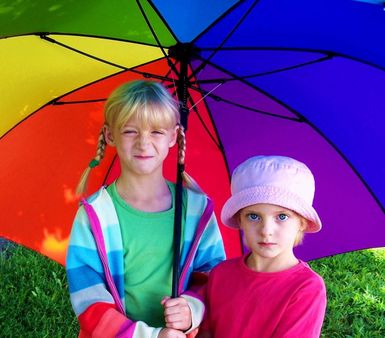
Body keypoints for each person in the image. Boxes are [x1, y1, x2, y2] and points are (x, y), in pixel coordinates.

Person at [66, 80, 226, 338]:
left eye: (157, 132)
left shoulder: (196, 210)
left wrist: (190, 310)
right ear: (110, 135)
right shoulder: (95, 215)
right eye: (130, 131)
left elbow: (213, 276)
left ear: (173, 136)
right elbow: (89, 298)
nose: (143, 143)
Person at [198, 155, 327, 338]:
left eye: (282, 216)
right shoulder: (221, 274)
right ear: (239, 220)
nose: (266, 230)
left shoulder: (306, 288)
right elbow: (206, 332)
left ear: (302, 222)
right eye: (253, 216)